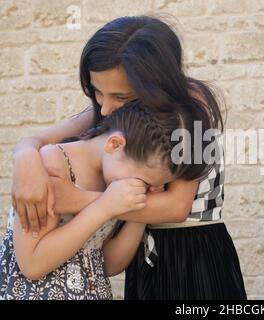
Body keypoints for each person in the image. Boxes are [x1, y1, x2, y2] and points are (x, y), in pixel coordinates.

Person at [11, 15, 247, 300]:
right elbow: (35, 140)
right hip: (141, 248)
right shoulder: (121, 108)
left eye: (120, 97)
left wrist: (77, 199)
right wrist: (26, 162)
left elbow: (176, 207)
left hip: (192, 251)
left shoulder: (192, 109)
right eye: (97, 92)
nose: (106, 108)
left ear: (153, 84)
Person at [1, 100, 179, 299]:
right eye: (144, 181)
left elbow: (108, 264)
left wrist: (140, 209)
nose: (143, 189)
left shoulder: (111, 177)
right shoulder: (53, 163)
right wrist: (103, 207)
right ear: (115, 144)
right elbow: (31, 264)